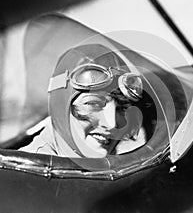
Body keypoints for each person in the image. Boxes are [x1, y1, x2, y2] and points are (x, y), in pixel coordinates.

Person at [20, 44, 149, 158]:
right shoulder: (24, 178)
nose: (112, 124)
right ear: (60, 107)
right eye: (94, 104)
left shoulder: (113, 169)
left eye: (121, 109)